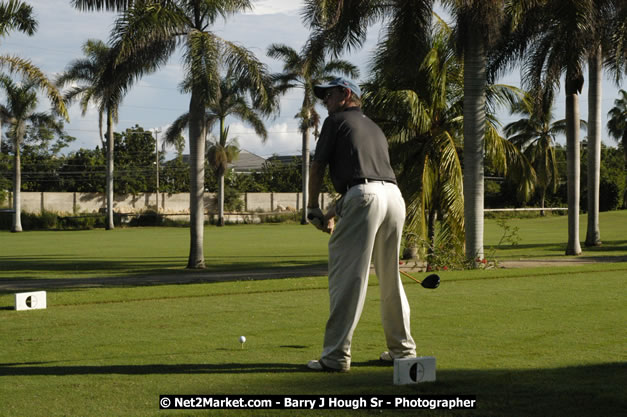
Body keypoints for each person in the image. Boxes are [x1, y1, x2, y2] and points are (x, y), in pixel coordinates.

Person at [306, 77, 416, 372]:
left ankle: (336, 356)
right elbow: (368, 185)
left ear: (346, 94)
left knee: (348, 278)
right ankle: (402, 351)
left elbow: (319, 167)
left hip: (366, 197)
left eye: (328, 95)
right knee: (390, 278)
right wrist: (330, 214)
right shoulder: (372, 126)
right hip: (394, 197)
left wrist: (312, 207)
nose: (325, 102)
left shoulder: (336, 121)